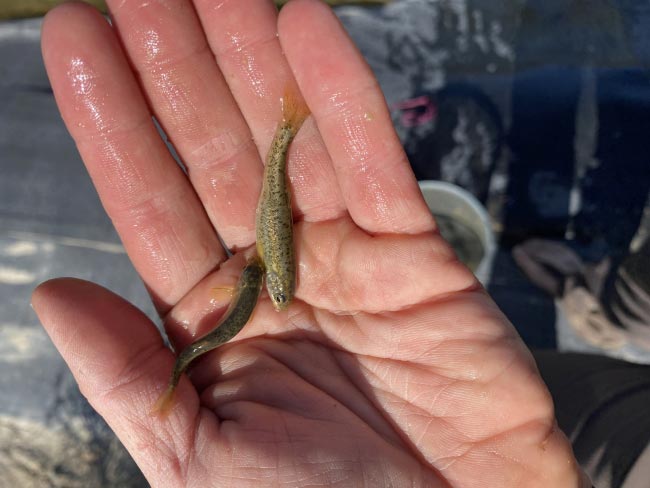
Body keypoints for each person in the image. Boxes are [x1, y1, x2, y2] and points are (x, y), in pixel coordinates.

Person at [33, 0, 591, 486]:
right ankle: (285, 127)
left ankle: (286, 127)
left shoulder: (272, 280)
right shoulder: (272, 280)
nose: (282, 295)